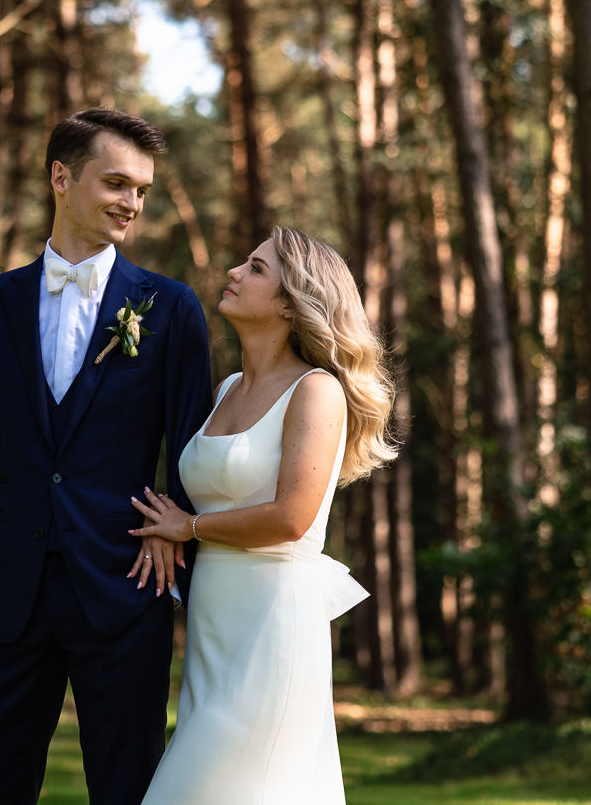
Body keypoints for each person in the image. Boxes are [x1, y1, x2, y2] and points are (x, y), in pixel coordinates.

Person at [0, 108, 214, 805]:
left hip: (125, 584)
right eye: (116, 182)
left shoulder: (169, 308)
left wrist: (185, 550)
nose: (131, 203)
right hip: (1, 592)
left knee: (129, 789)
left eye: (141, 189)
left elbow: (193, 451)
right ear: (60, 176)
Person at [129, 226, 397, 805]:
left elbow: (291, 517)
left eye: (255, 268)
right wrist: (168, 531)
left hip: (273, 625)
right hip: (213, 629)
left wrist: (190, 528)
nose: (233, 271)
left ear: (288, 301)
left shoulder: (316, 390)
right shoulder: (226, 388)